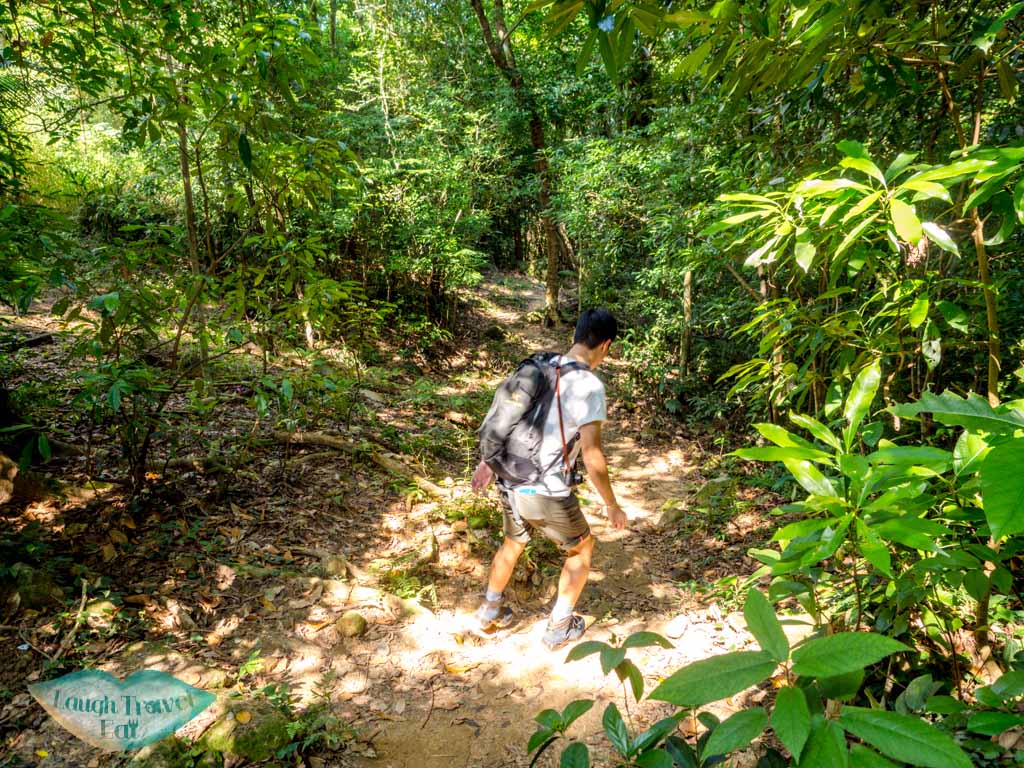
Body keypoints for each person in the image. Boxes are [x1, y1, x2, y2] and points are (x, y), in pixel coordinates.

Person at [470, 308, 627, 650]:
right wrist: (612, 505)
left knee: (513, 542)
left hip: (510, 477)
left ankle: (489, 610)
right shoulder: (589, 385)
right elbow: (592, 454)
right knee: (582, 548)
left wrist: (488, 462)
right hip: (546, 489)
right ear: (606, 345)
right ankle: (559, 626)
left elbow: (510, 418)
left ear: (576, 334)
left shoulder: (542, 365)